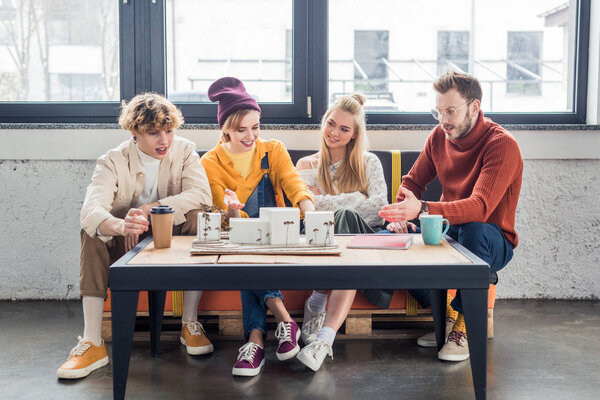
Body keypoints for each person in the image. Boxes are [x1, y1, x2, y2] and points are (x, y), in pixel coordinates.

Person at [57, 93, 214, 379]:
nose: (164, 140)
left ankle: (189, 323)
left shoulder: (185, 151)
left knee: (198, 216)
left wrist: (149, 209)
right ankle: (92, 342)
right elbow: (90, 211)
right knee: (91, 233)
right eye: (154, 133)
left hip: (169, 237)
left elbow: (202, 194)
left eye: (168, 130)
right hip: (125, 240)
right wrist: (121, 226)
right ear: (135, 132)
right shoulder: (112, 161)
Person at [379, 72, 523, 362]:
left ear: (474, 107)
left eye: (451, 111)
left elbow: (480, 207)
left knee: (473, 229)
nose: (443, 120)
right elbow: (412, 182)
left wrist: (422, 209)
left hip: (491, 240)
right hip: (451, 232)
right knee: (396, 244)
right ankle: (447, 321)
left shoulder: (501, 144)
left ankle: (464, 327)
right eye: (439, 111)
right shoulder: (439, 137)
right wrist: (399, 216)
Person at [200, 77, 315, 377]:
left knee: (248, 254)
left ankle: (255, 342)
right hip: (239, 238)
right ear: (224, 128)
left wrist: (309, 209)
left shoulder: (272, 150)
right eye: (242, 130)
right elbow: (221, 215)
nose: (251, 136)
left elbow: (293, 182)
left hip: (278, 235)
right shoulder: (210, 163)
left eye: (255, 127)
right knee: (247, 251)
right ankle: (284, 320)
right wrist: (234, 213)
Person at [294, 94, 389, 371]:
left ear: (354, 135)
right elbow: (306, 214)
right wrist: (357, 197)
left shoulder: (368, 162)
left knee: (346, 217)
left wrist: (324, 201)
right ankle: (324, 338)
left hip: (362, 241)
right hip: (322, 241)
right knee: (344, 214)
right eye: (331, 123)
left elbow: (378, 210)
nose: (334, 133)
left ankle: (318, 299)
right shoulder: (306, 166)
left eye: (344, 129)